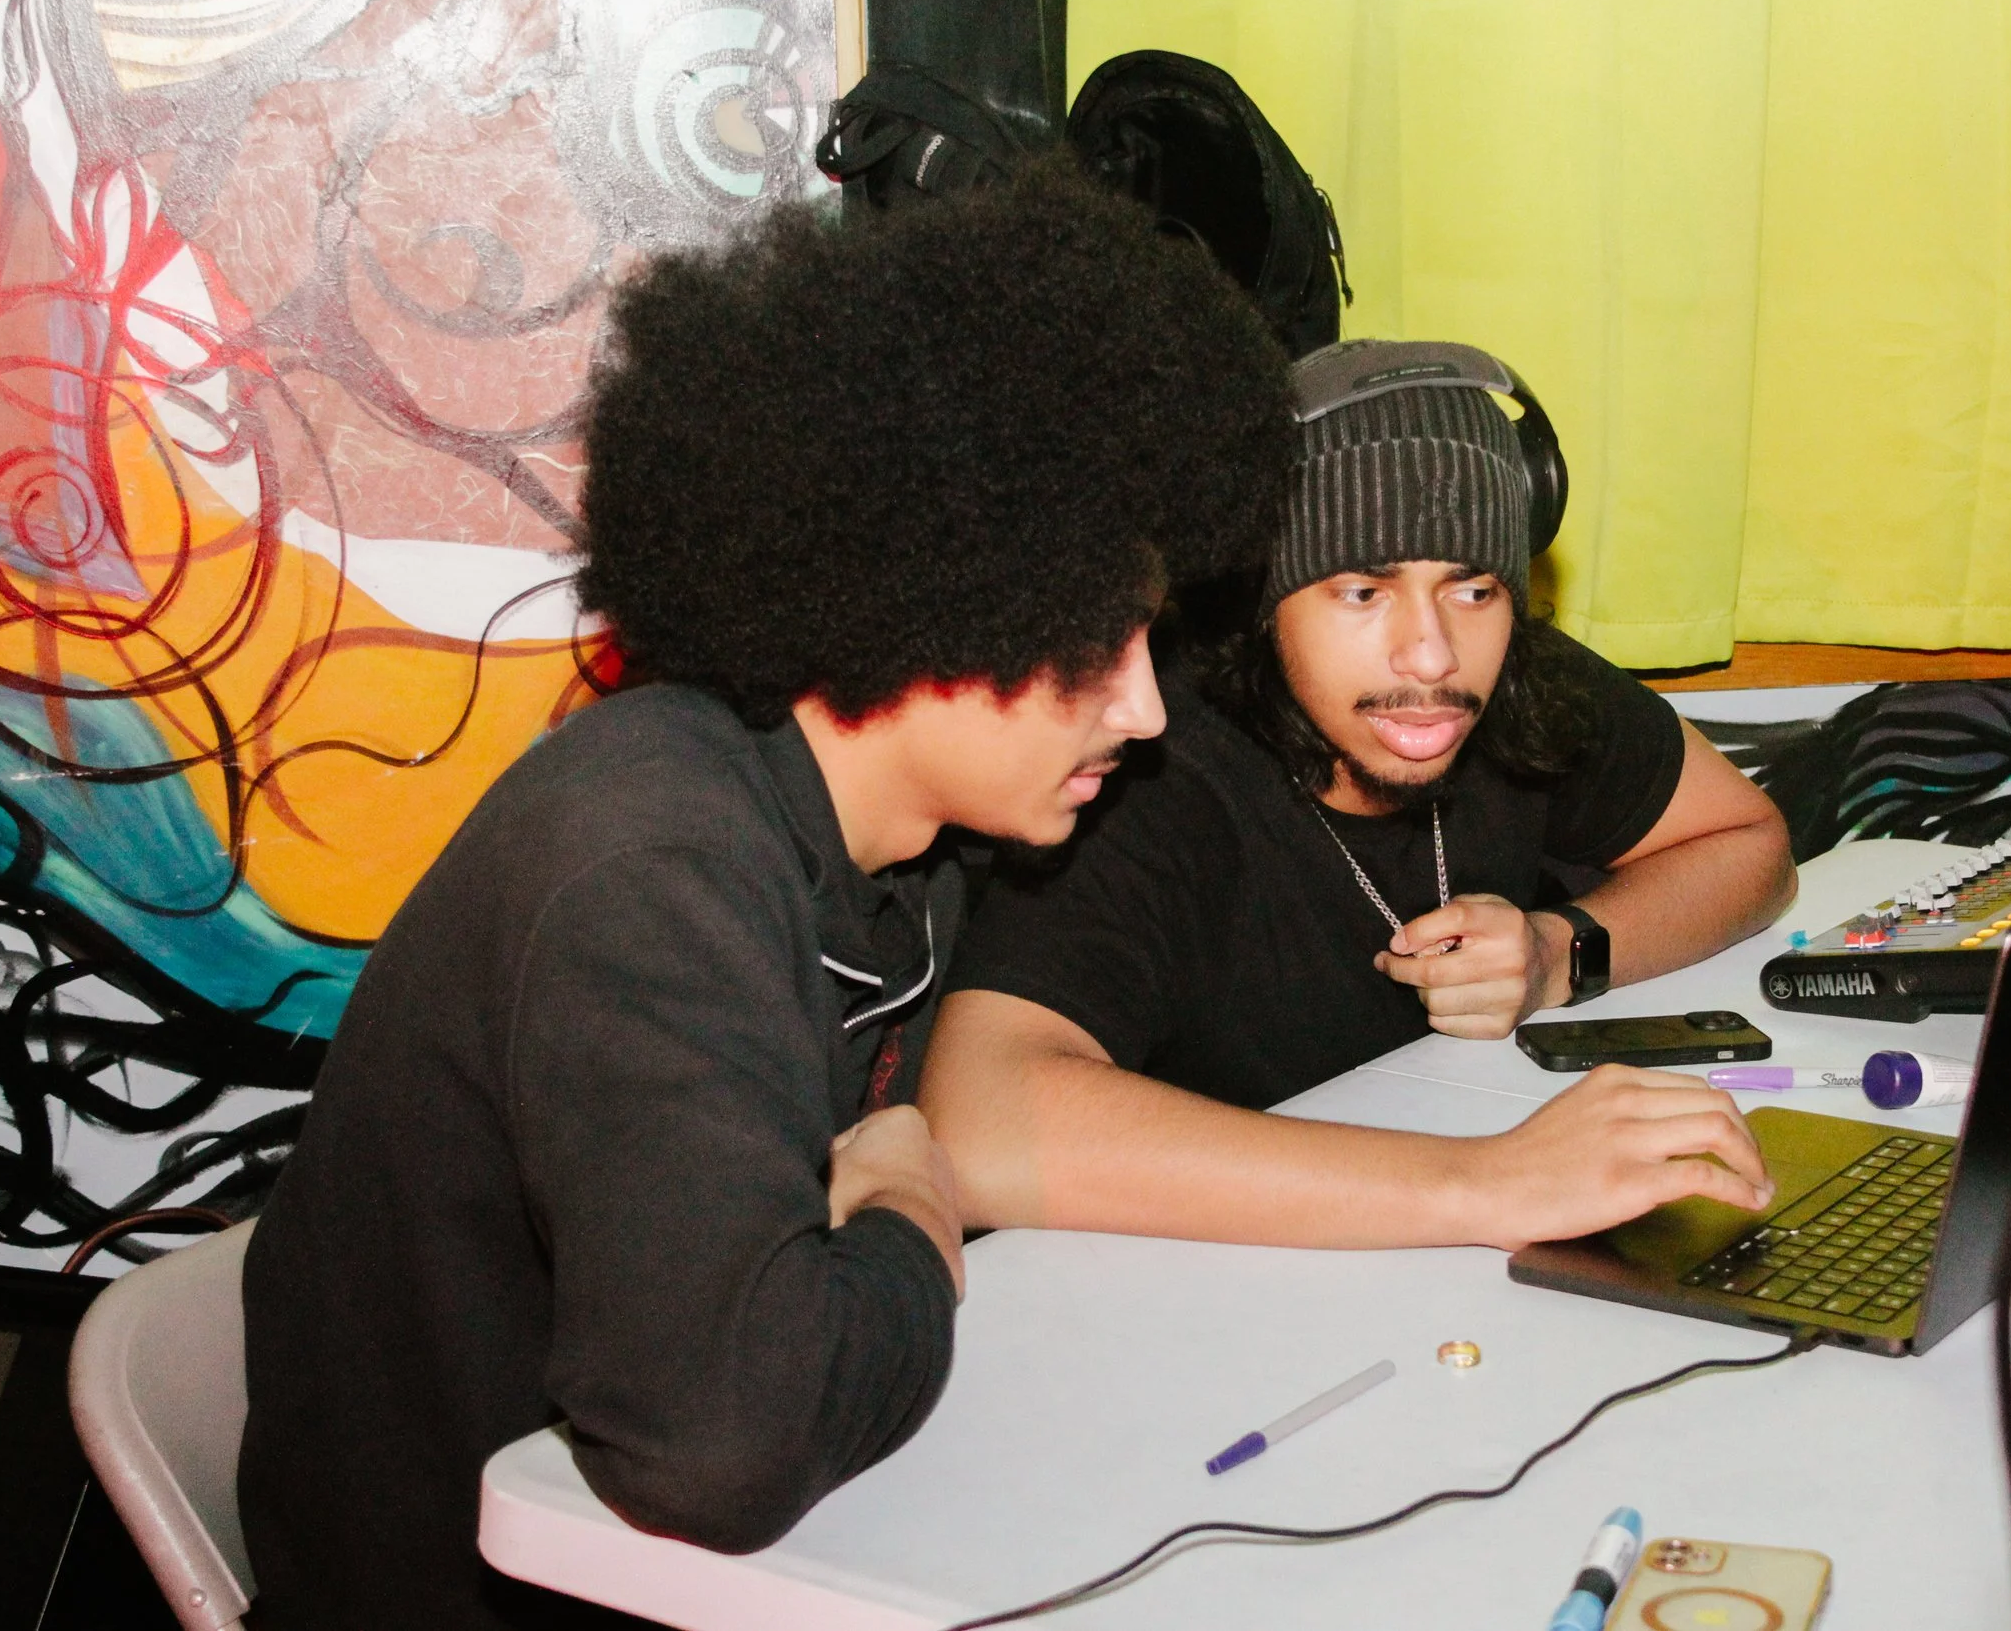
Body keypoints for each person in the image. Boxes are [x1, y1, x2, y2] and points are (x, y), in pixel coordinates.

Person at [234, 166, 1294, 1631]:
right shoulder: (652, 862)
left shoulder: (901, 844)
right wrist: (914, 1215)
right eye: (1089, 642)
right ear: (943, 596)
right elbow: (719, 1447)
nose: (1141, 708)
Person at [923, 339, 1800, 1253]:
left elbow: (1749, 843)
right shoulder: (1152, 768)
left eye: (1473, 588)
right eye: (1360, 592)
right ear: (1267, 604)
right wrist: (1484, 1186)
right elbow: (975, 1123)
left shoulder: (1509, 686)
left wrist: (1556, 951)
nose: (1431, 655)